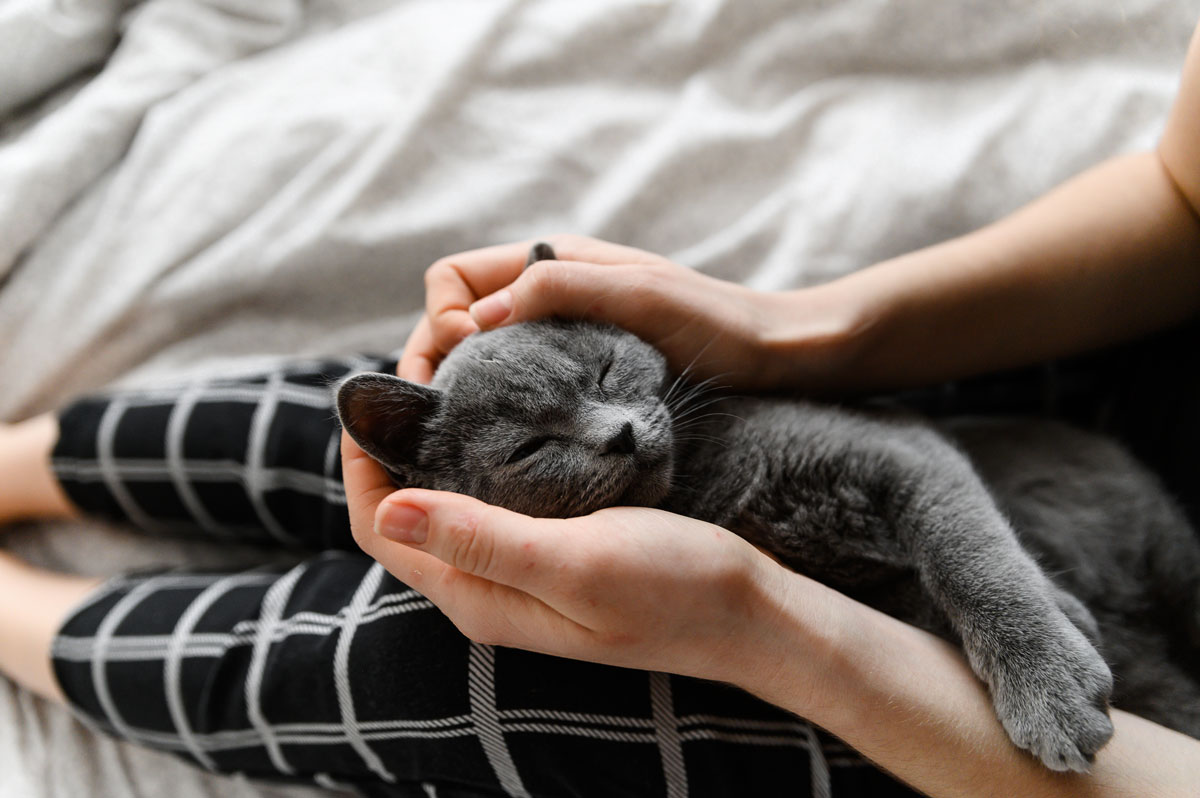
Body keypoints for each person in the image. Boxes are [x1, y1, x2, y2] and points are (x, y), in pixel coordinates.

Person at [2, 20, 1200, 798]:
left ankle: (10, 609)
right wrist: (788, 324)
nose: (623, 429)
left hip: (1125, 711)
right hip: (1136, 402)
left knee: (419, 672)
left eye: (612, 394)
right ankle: (21, 463)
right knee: (351, 429)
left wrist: (759, 626)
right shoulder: (659, 406)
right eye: (571, 416)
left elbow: (908, 476)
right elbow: (1177, 193)